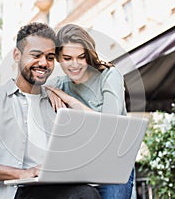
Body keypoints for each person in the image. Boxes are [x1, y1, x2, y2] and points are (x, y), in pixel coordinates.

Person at [0, 22, 101, 199]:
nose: (43, 63)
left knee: (88, 192)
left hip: (55, 190)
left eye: (50, 57)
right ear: (17, 55)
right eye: (36, 55)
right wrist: (23, 173)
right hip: (12, 192)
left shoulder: (56, 102)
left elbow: (97, 135)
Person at [45, 23, 134, 199]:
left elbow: (110, 126)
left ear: (89, 55)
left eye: (81, 57)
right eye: (67, 58)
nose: (75, 65)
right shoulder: (58, 85)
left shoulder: (109, 76)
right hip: (80, 168)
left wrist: (68, 99)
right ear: (58, 58)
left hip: (114, 163)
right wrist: (48, 90)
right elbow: (32, 91)